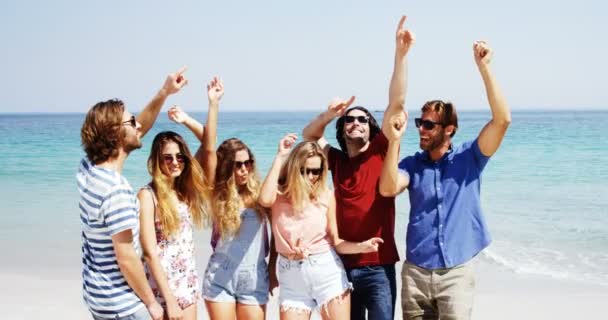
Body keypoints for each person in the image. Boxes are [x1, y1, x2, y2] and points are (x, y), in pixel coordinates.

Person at [379, 41, 511, 320]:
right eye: (420, 123)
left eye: (428, 125)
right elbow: (388, 188)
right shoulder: (412, 165)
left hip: (456, 274)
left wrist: (484, 68)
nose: (421, 130)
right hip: (415, 272)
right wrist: (394, 141)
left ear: (448, 129)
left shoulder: (470, 158)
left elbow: (502, 121)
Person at [302, 16, 415, 319]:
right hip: (340, 263)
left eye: (362, 119)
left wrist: (400, 55)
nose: (355, 123)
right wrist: (328, 113)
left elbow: (397, 101)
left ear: (371, 128)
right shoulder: (336, 160)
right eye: (349, 120)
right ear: (343, 130)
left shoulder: (382, 149)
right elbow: (309, 137)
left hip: (379, 265)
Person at [78, 67, 188, 320]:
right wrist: (152, 304)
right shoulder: (116, 191)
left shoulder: (87, 170)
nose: (138, 125)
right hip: (123, 305)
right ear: (115, 133)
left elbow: (138, 129)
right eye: (131, 121)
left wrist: (164, 92)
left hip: (98, 297)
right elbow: (126, 256)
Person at [259, 134, 384, 319]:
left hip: (326, 271)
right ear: (294, 168)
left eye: (316, 171)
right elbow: (264, 199)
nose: (310, 177)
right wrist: (280, 156)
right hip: (291, 277)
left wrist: (362, 246)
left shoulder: (326, 195)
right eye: (304, 170)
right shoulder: (278, 194)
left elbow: (336, 241)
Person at [138, 83, 219, 320]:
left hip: (187, 281)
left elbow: (209, 144)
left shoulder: (184, 190)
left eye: (180, 157)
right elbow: (150, 252)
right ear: (156, 161)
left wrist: (188, 118)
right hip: (162, 288)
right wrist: (169, 301)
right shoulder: (147, 196)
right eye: (167, 158)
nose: (175, 162)